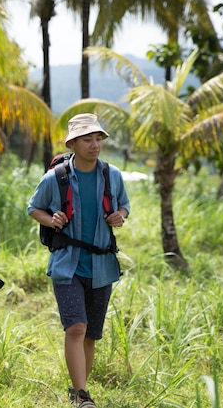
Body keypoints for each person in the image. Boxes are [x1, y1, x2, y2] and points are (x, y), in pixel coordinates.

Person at [27, 113, 130, 408]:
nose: (95, 144)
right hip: (67, 264)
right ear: (72, 143)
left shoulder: (113, 176)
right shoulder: (55, 178)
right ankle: (82, 394)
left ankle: (79, 388)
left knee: (91, 335)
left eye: (98, 138)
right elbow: (34, 208)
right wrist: (51, 218)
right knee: (76, 328)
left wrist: (119, 216)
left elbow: (124, 206)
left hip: (102, 265)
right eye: (88, 139)